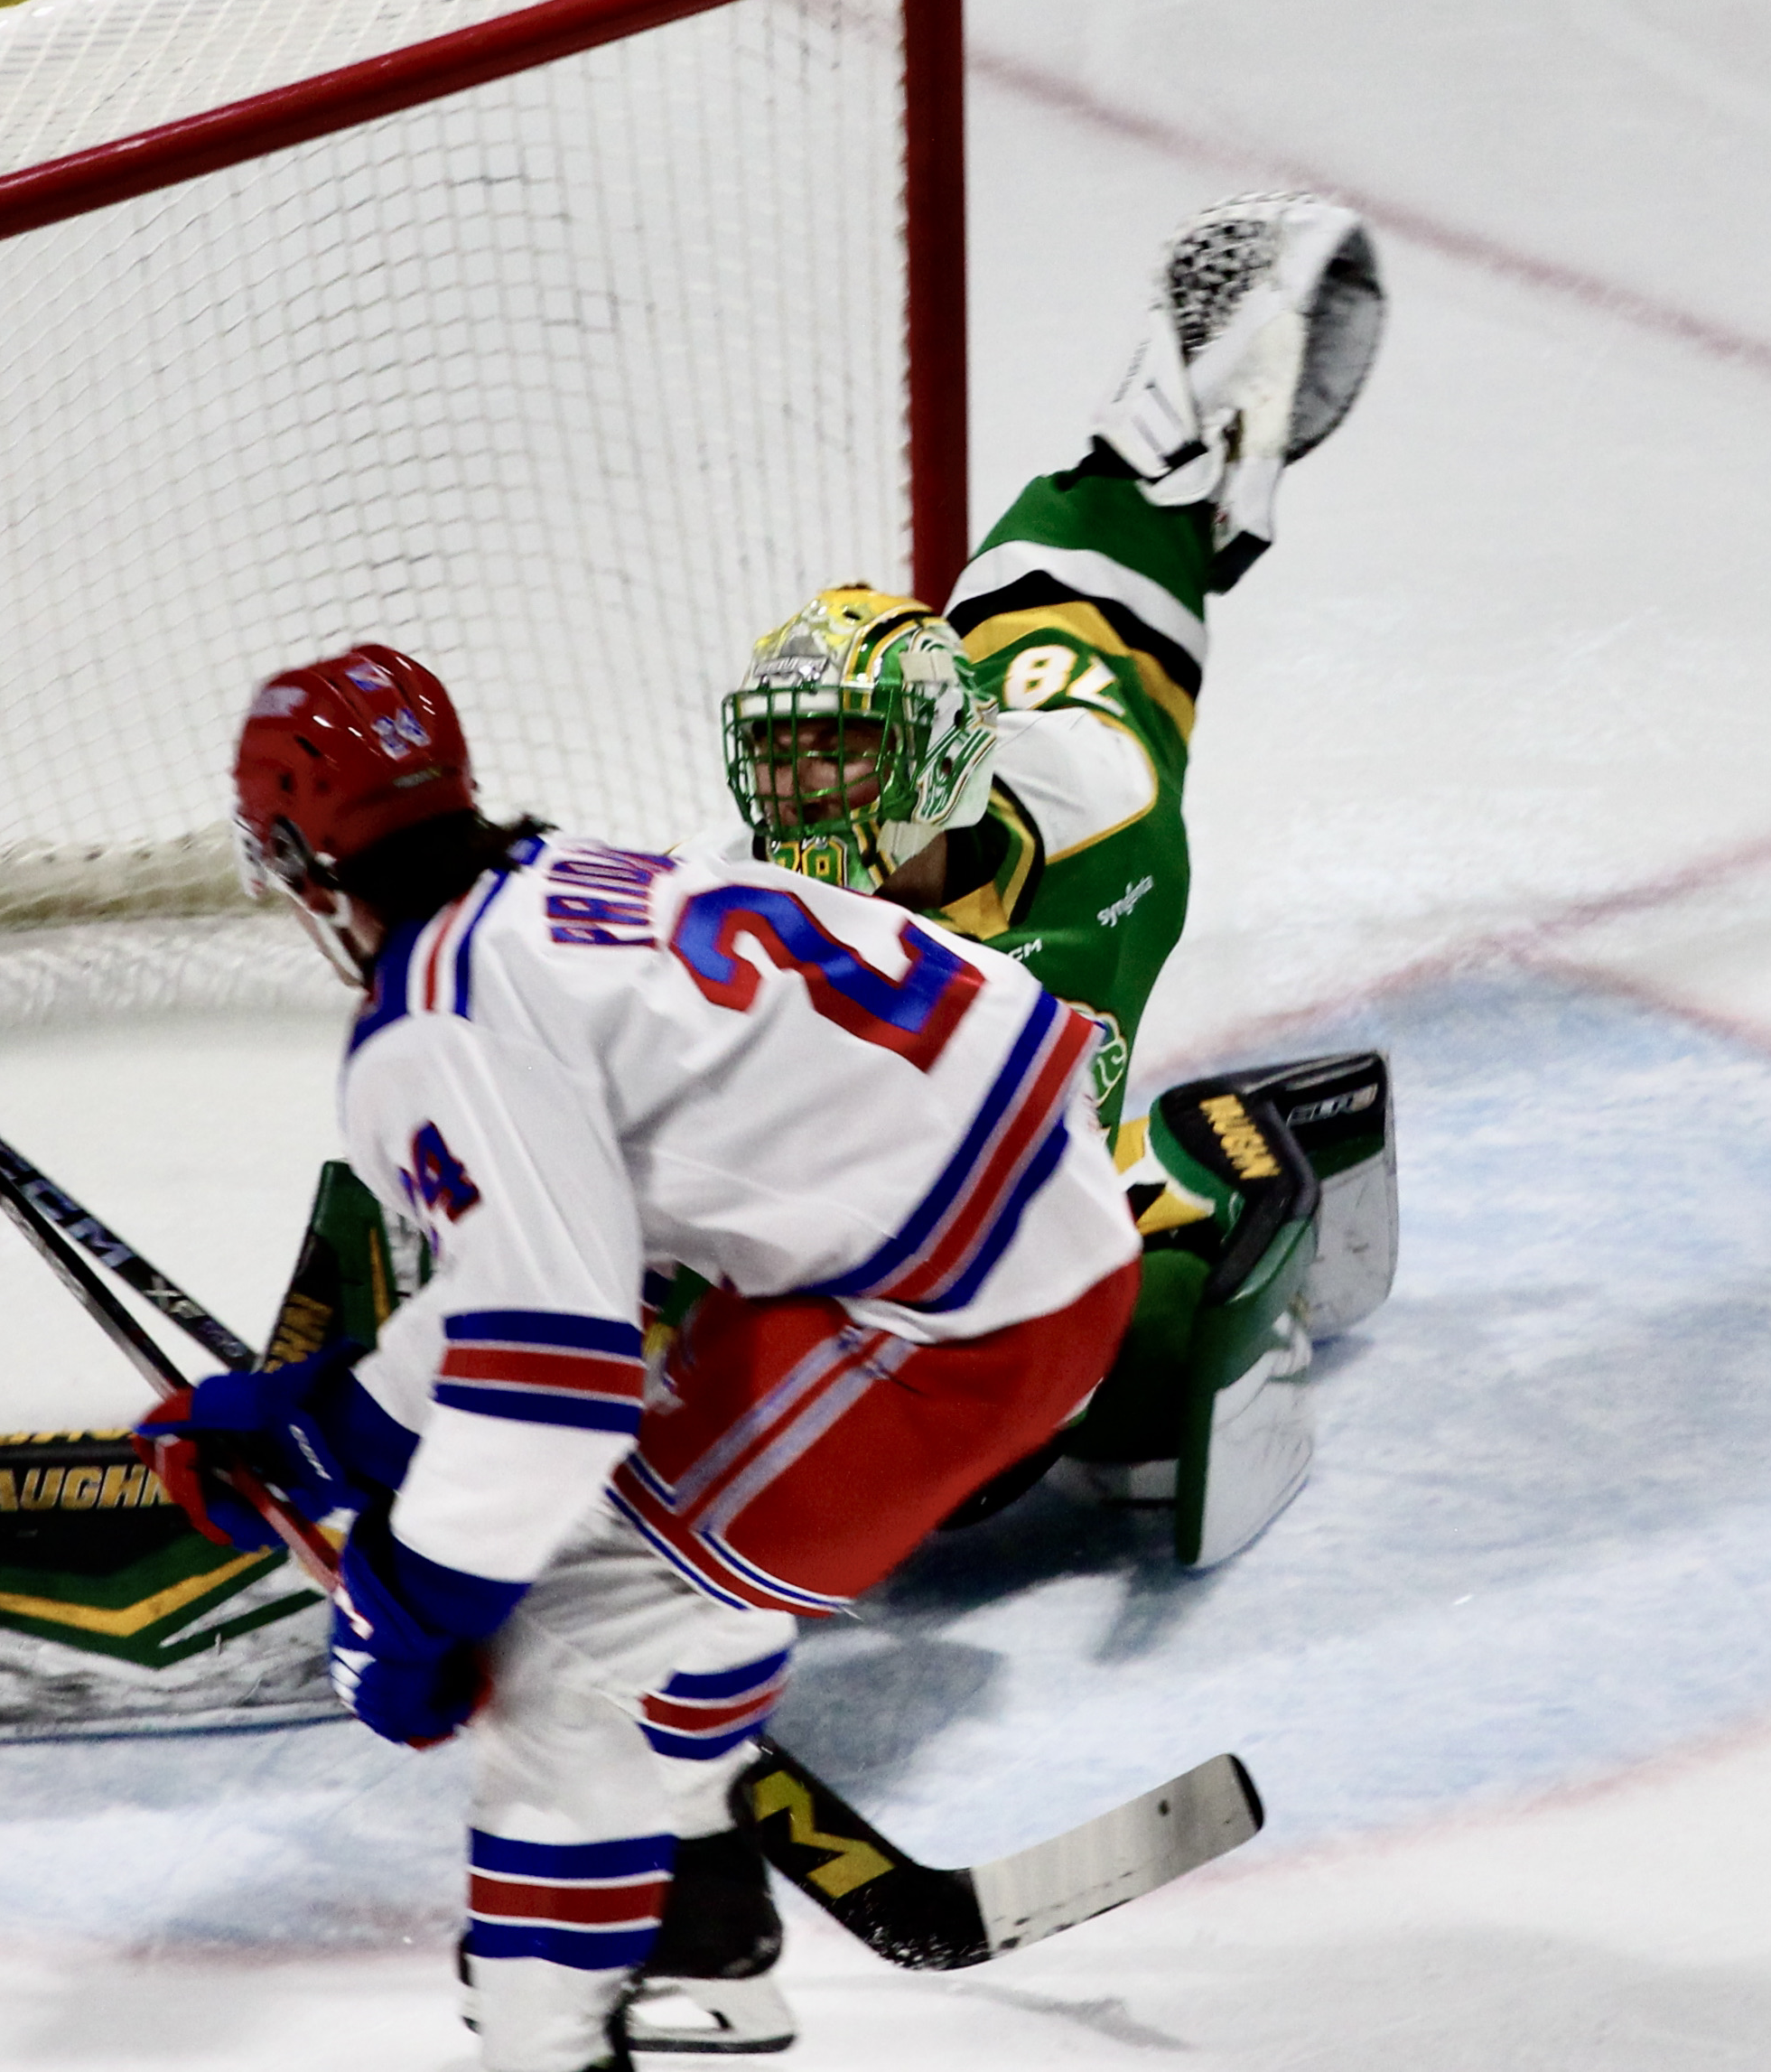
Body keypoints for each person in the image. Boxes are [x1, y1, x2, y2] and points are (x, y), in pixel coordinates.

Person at [138, 642, 1144, 2072]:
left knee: (561, 1640)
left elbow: (554, 1367)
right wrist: (332, 1427)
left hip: (960, 1302)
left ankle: (550, 2045)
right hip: (999, 1217)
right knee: (660, 1537)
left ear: (305, 857)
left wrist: (410, 1602)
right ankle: (697, 1937)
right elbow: (549, 1280)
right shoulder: (561, 883)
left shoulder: (437, 1013)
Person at [712, 191, 1402, 1557]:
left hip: (1008, 1310)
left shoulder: (1087, 821)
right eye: (784, 762)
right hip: (880, 1276)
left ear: (940, 764)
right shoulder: (760, 896)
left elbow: (1099, 581)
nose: (802, 802)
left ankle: (1222, 1204)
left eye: (843, 759)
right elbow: (1080, 563)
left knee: (1133, 1382)